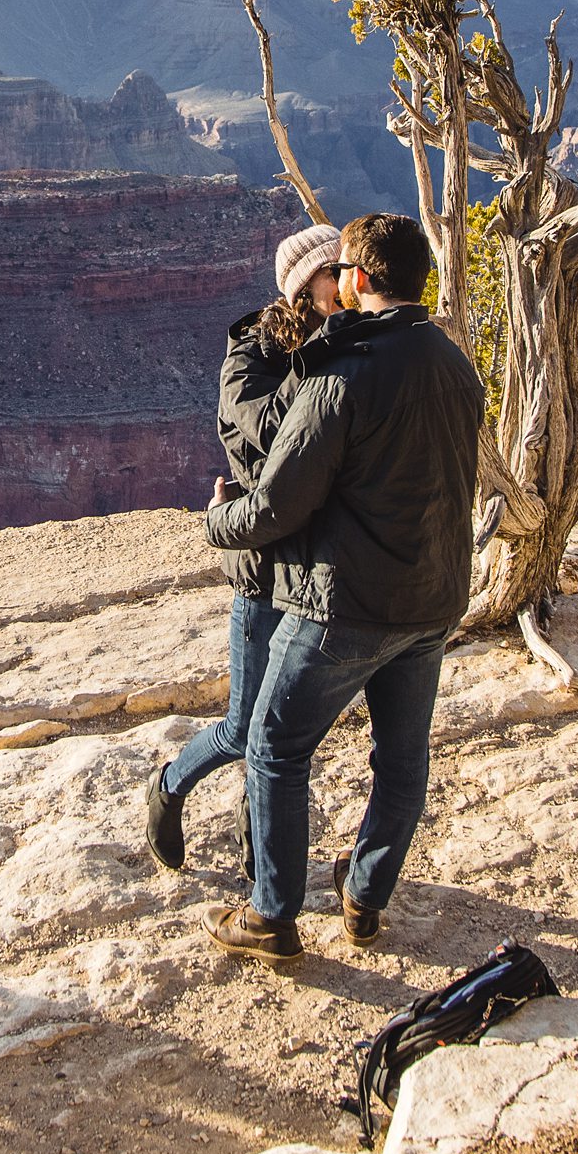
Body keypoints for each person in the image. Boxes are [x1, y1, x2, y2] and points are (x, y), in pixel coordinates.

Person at [199, 211, 485, 961]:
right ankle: (364, 898)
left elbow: (279, 505)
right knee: (402, 759)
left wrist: (216, 524)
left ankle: (271, 915)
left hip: (345, 607)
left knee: (273, 748)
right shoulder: (456, 365)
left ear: (358, 279)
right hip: (434, 599)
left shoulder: (341, 376)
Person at [145, 221, 341, 874]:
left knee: (286, 738)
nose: (346, 282)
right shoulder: (251, 349)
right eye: (332, 271)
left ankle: (262, 868)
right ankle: (170, 785)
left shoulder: (352, 339)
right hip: (264, 567)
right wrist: (327, 355)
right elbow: (255, 432)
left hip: (321, 571)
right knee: (242, 730)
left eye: (349, 269)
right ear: (302, 283)